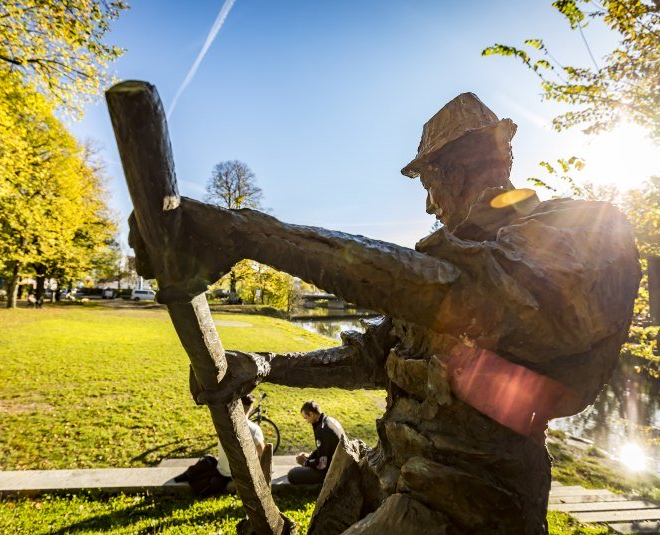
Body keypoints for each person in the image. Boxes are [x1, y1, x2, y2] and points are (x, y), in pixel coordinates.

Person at [133, 92, 641, 533]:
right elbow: (368, 358)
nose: (429, 206)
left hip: (469, 496)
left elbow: (467, 299)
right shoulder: (435, 259)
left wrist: (249, 234)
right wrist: (262, 365)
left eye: (428, 186)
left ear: (458, 172)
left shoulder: (585, 230)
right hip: (388, 471)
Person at [174, 394, 264, 495]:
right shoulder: (254, 429)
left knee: (209, 458)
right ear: (251, 408)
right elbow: (264, 456)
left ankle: (189, 474)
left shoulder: (225, 424)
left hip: (222, 470)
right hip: (242, 474)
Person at [288, 400, 345, 485]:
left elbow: (322, 465)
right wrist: (310, 456)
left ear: (311, 414)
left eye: (306, 418)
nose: (307, 421)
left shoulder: (321, 430)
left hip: (333, 471)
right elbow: (325, 449)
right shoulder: (329, 420)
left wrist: (305, 462)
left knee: (292, 474)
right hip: (341, 464)